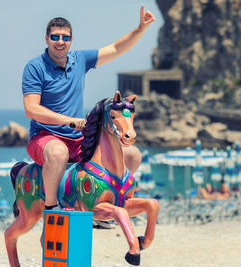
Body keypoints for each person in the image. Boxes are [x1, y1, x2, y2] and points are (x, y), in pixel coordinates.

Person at [22, 6, 156, 210]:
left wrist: (140, 28)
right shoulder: (35, 67)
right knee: (59, 153)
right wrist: (67, 120)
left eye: (65, 38)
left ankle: (107, 199)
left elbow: (116, 49)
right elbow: (31, 109)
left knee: (133, 155)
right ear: (47, 38)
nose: (60, 42)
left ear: (71, 40)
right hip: (44, 137)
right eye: (55, 37)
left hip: (78, 140)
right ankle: (52, 207)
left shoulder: (79, 60)